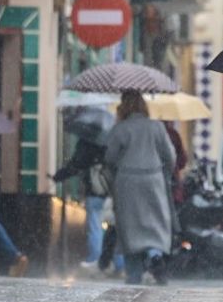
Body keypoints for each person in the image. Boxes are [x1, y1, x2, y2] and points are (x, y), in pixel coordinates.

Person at [103, 92, 178, 285]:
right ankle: (154, 254)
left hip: (127, 182)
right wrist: (163, 175)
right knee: (155, 224)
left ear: (123, 106)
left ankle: (133, 275)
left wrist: (115, 178)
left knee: (130, 229)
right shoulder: (157, 127)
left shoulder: (120, 129)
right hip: (153, 179)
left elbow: (109, 158)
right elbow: (170, 156)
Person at [52, 130, 109, 270]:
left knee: (95, 224)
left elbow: (77, 163)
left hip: (95, 190)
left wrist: (59, 176)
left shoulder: (88, 140)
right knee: (115, 226)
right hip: (112, 189)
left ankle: (95, 259)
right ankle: (118, 264)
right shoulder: (112, 137)